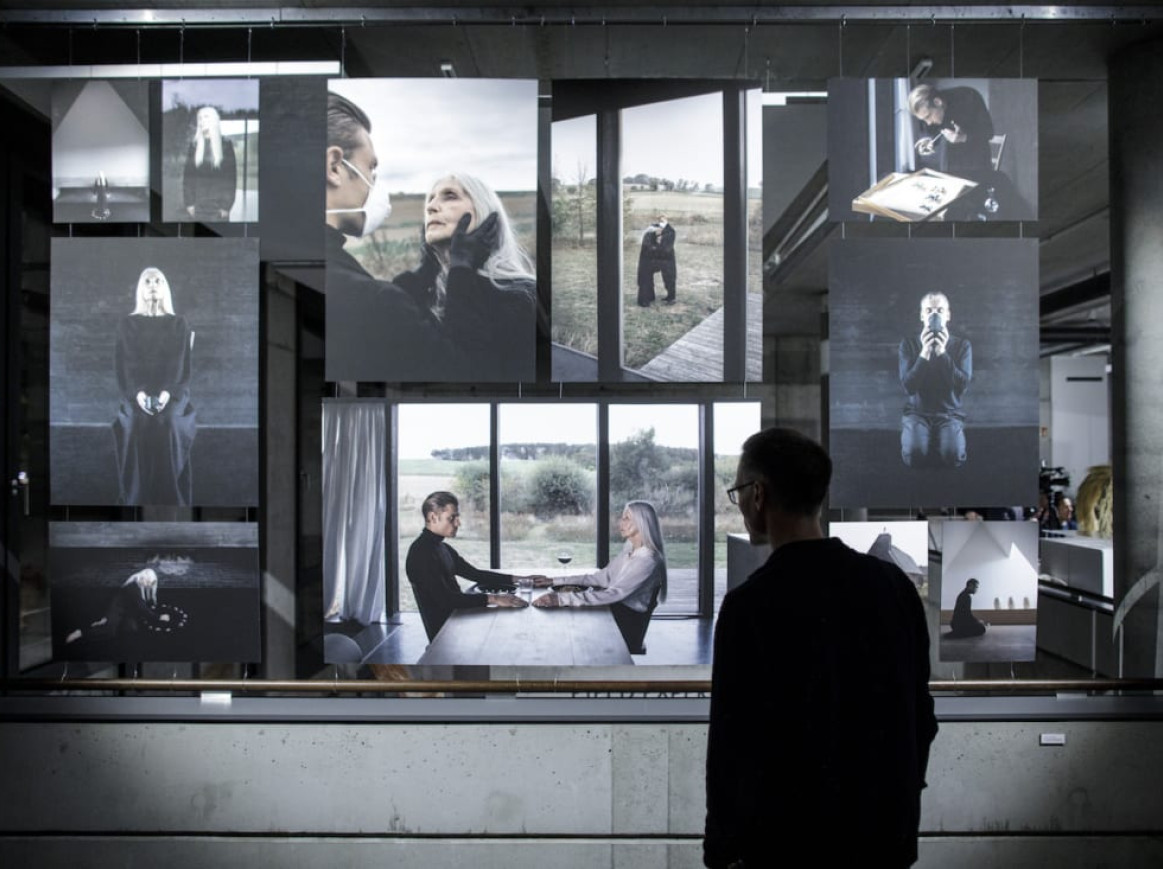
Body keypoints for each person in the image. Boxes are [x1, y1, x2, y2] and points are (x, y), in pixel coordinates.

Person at [704, 427, 937, 869]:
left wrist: (721, 850)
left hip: (785, 844)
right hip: (883, 837)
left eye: (737, 492)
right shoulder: (893, 587)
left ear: (758, 495)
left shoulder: (750, 606)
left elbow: (733, 744)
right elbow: (920, 714)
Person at [324, 94, 499, 382]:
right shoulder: (377, 301)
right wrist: (462, 268)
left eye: (450, 196)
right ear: (334, 167)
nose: (431, 206)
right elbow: (468, 373)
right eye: (371, 168)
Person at [391, 172, 537, 380]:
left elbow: (474, 374)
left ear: (484, 213)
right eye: (431, 198)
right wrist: (430, 266)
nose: (431, 207)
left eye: (449, 196)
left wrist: (461, 269)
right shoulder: (411, 291)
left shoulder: (521, 294)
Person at [530, 500, 667, 652]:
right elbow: (601, 578)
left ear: (643, 523)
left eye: (627, 518)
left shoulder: (648, 560)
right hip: (614, 613)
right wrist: (554, 581)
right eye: (622, 517)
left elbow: (615, 593)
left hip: (625, 625)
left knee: (564, 628)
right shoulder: (630, 551)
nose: (620, 522)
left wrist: (561, 599)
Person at [111, 267, 197, 506]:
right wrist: (137, 394)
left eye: (158, 280)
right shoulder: (127, 325)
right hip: (135, 394)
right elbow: (125, 364)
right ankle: (136, 498)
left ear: (164, 286)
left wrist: (166, 395)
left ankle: (170, 498)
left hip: (173, 395)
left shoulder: (178, 323)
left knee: (167, 422)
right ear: (141, 287)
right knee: (137, 422)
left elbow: (179, 365)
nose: (152, 284)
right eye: (147, 281)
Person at [405, 491, 536, 642]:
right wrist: (494, 598)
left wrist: (521, 579)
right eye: (452, 518)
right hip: (448, 635)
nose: (458, 523)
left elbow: (475, 574)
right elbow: (446, 600)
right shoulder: (421, 553)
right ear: (433, 517)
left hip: (458, 620)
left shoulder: (441, 548)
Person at [900, 291, 972, 468]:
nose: (935, 315)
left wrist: (941, 352)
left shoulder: (962, 345)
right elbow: (908, 387)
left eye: (940, 310)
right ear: (922, 315)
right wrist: (924, 352)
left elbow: (962, 385)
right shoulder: (908, 344)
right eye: (929, 310)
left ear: (947, 315)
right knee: (914, 458)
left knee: (953, 458)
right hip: (917, 413)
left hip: (949, 413)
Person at [908, 83, 994, 181]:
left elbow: (989, 132)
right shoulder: (932, 110)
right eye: (923, 120)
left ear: (937, 102)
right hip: (949, 170)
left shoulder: (969, 97)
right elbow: (931, 132)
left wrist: (964, 137)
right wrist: (927, 140)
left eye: (928, 116)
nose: (928, 123)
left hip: (976, 167)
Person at [183, 106, 237, 221]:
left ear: (214, 120)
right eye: (200, 118)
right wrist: (189, 203)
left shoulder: (225, 145)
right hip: (198, 207)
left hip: (218, 209)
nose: (202, 121)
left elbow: (231, 179)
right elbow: (188, 178)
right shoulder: (194, 146)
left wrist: (226, 206)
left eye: (206, 117)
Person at [635, 215, 677, 306]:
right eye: (660, 221)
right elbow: (648, 245)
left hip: (666, 258)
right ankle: (648, 296)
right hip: (653, 258)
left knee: (669, 277)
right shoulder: (651, 231)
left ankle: (671, 297)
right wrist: (656, 242)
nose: (660, 227)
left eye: (663, 221)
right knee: (646, 275)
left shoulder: (670, 232)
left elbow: (667, 248)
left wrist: (658, 244)